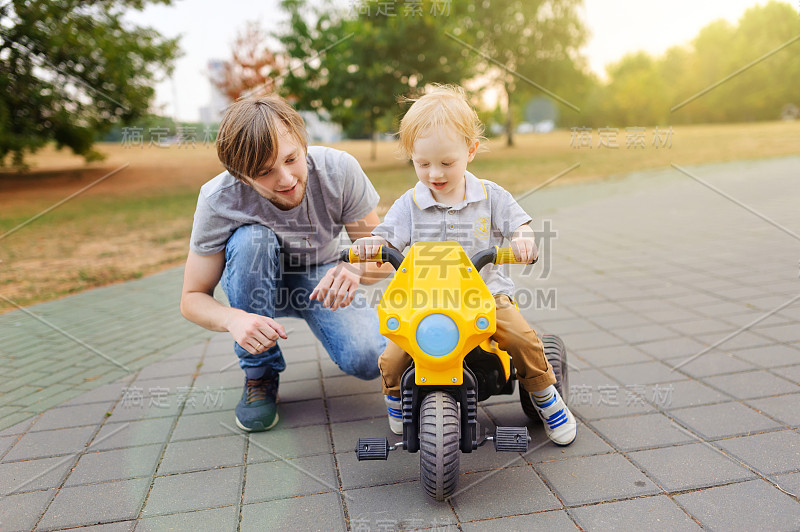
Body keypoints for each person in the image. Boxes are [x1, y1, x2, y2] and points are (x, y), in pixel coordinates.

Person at [348, 85, 577, 445]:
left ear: (470, 151)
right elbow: (387, 238)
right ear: (412, 157)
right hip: (423, 301)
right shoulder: (409, 204)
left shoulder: (490, 196)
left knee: (524, 340)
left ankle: (546, 398)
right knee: (392, 354)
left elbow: (519, 224)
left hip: (484, 297)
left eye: (446, 163)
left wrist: (523, 239)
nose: (434, 174)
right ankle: (396, 399)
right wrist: (373, 245)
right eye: (422, 164)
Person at [180, 95, 390, 432]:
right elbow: (192, 298)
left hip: (320, 276)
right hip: (255, 280)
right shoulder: (218, 199)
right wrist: (234, 320)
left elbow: (386, 261)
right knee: (252, 240)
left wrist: (354, 266)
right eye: (264, 172)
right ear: (240, 176)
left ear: (302, 142)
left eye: (291, 158)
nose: (286, 179)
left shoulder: (339, 169)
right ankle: (259, 373)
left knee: (368, 359)